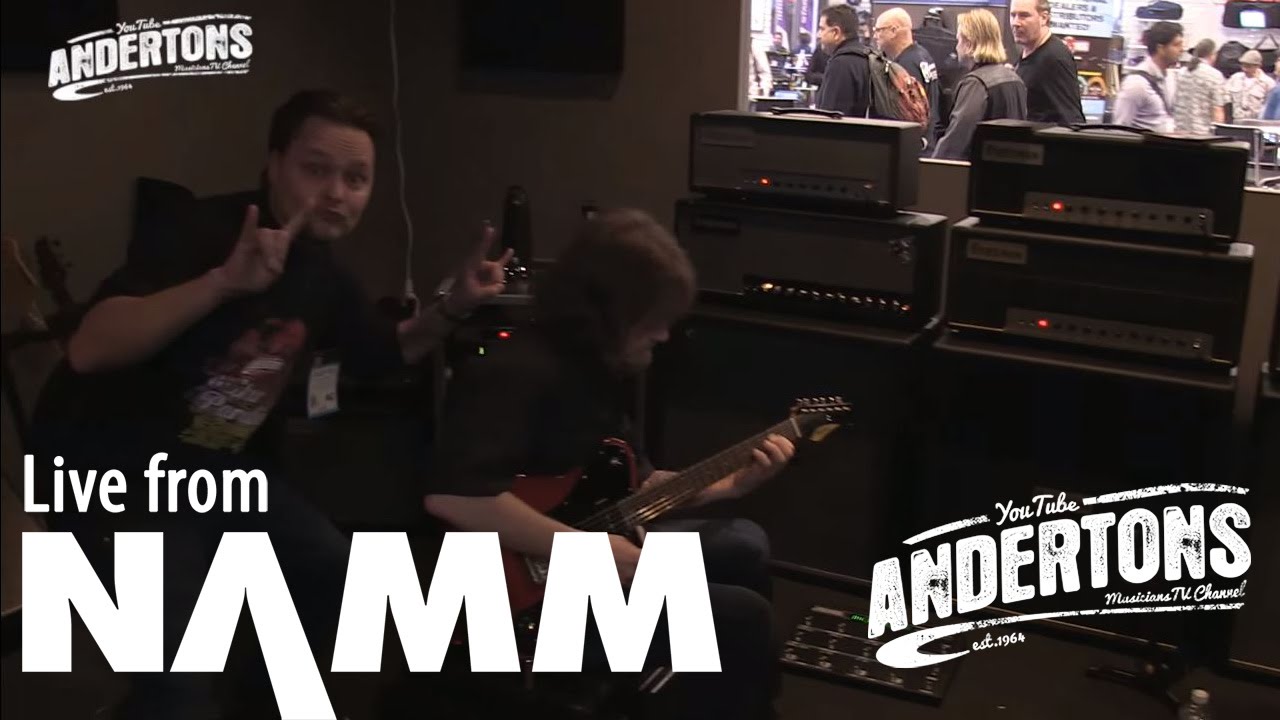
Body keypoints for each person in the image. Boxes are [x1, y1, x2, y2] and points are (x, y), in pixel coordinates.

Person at [29, 89, 512, 719]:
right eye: (316, 170)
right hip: (113, 476)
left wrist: (453, 308)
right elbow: (90, 348)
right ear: (275, 164)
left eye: (356, 178)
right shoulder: (201, 231)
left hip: (221, 475)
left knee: (339, 582)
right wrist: (221, 285)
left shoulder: (322, 273)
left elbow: (386, 352)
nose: (336, 193)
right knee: (181, 679)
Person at [424, 209, 794, 720]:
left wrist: (728, 486)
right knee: (742, 619)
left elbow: (633, 489)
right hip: (511, 604)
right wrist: (590, 555)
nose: (664, 335)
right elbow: (454, 497)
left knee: (745, 544)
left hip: (574, 554)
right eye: (654, 319)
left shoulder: (599, 370)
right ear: (611, 313)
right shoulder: (512, 371)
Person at [934, 9, 1028, 160]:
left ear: (969, 44)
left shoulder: (976, 84)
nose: (956, 47)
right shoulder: (1015, 79)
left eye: (959, 40)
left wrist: (930, 166)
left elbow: (956, 142)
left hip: (978, 170)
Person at [874, 8, 942, 148]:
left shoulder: (906, 66)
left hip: (913, 145)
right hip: (928, 140)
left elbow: (908, 114)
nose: (875, 36)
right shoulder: (923, 55)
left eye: (878, 30)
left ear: (893, 31)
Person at [1010, 0, 1085, 125]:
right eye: (1013, 15)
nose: (1015, 23)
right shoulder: (1027, 51)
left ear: (1044, 18)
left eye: (1024, 15)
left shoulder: (1054, 58)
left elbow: (1071, 119)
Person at [1113, 22, 1183, 132]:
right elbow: (1120, 127)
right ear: (1160, 48)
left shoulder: (1169, 78)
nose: (1181, 49)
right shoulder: (1136, 84)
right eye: (1176, 45)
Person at [814, 4, 873, 117]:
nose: (818, 35)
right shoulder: (866, 56)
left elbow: (830, 116)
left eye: (822, 29)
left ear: (836, 32)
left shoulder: (840, 64)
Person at [1174, 38, 1227, 135]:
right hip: (1203, 133)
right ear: (1213, 54)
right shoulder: (1214, 75)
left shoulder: (1181, 73)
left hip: (1180, 131)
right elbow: (1217, 110)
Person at [1226, 50, 1277, 121]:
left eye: (1248, 66)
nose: (1244, 69)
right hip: (1236, 120)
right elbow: (1226, 95)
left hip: (1257, 122)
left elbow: (1270, 106)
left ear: (1258, 66)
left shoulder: (1268, 83)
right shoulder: (1235, 78)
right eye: (1243, 65)